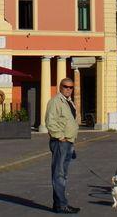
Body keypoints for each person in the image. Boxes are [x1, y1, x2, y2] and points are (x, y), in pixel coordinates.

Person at [45, 78, 81, 214]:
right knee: (59, 174)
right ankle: (62, 205)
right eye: (65, 86)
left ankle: (58, 204)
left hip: (68, 141)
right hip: (61, 142)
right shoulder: (55, 101)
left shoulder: (68, 101)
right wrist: (60, 136)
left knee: (63, 174)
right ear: (60, 87)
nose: (68, 89)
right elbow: (50, 121)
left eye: (71, 87)